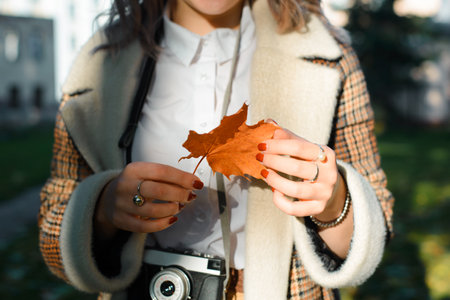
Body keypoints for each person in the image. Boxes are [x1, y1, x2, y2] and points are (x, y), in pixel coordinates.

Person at [38, 0, 394, 299]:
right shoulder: (100, 63)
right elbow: (54, 225)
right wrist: (101, 208)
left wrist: (333, 203)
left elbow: (376, 221)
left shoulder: (326, 56)